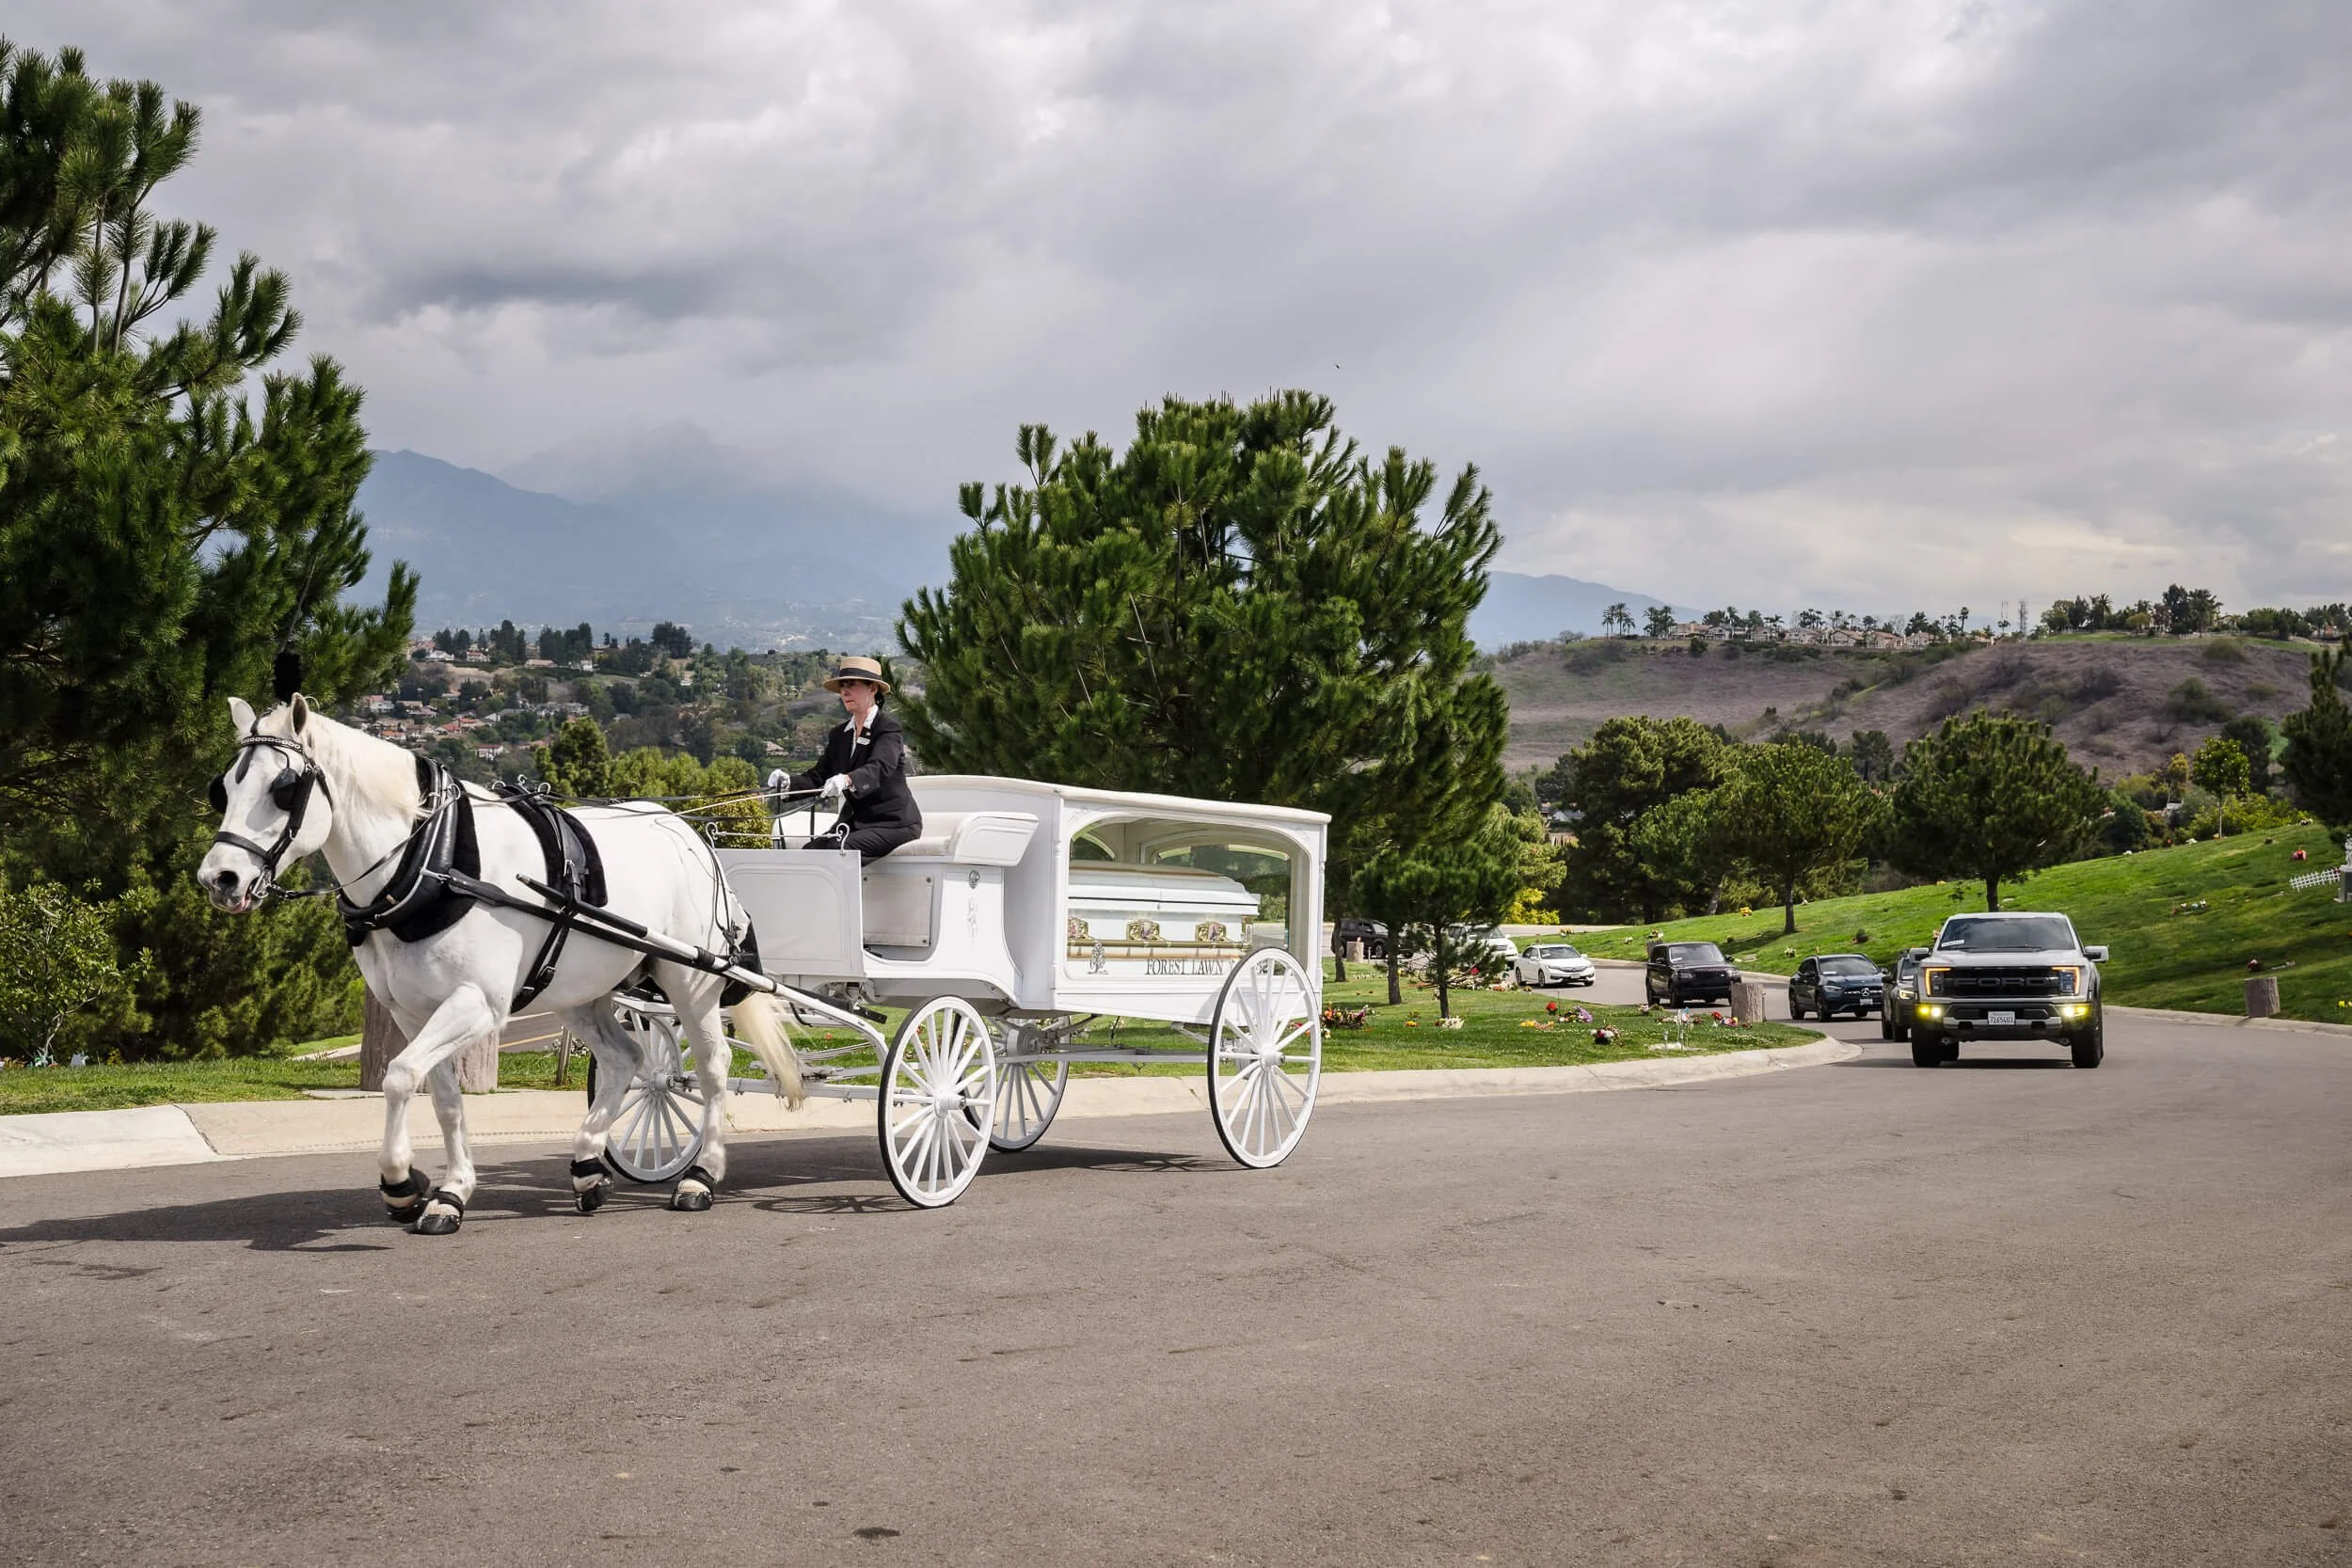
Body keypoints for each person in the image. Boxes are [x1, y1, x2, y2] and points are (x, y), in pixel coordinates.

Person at [767, 656, 921, 863]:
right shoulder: (840, 735)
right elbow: (818, 776)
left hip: (894, 824)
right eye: (842, 687)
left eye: (852, 685)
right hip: (855, 823)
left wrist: (847, 780)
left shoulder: (887, 729)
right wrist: (787, 785)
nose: (845, 692)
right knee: (808, 852)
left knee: (839, 853)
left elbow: (879, 768)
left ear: (873, 688)